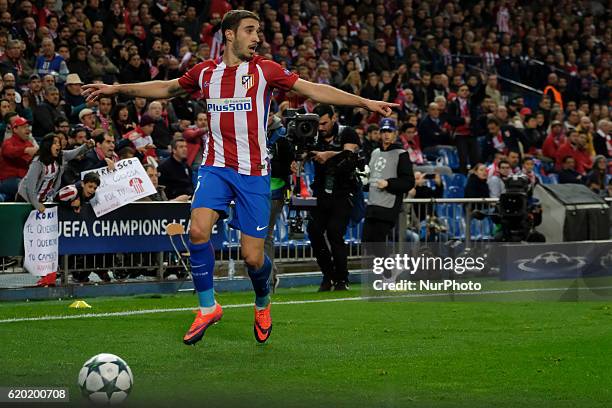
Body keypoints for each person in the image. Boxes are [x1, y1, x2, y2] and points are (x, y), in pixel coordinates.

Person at [83, 10, 396, 345]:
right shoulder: (205, 72)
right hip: (215, 167)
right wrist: (116, 88)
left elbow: (314, 90)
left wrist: (364, 102)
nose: (256, 37)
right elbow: (166, 87)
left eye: (258, 31)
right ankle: (207, 307)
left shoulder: (265, 70)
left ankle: (262, 303)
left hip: (253, 173)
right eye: (250, 30)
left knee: (252, 258)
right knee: (198, 231)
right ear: (229, 35)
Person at [16, 133, 93, 286]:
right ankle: (27, 266)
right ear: (47, 146)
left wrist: (86, 146)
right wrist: (37, 205)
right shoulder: (38, 162)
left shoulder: (61, 157)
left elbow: (73, 153)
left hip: (44, 203)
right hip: (26, 201)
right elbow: (29, 187)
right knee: (28, 238)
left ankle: (48, 275)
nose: (59, 145)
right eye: (55, 143)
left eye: (59, 142)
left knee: (47, 240)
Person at [307, 103, 362, 292]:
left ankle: (342, 278)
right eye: (318, 124)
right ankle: (328, 275)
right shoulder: (311, 132)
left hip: (343, 191)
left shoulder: (348, 133)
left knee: (334, 232)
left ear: (334, 118)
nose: (321, 128)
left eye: (324, 123)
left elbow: (349, 156)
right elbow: (302, 153)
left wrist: (329, 154)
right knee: (313, 230)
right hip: (321, 190)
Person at [362, 118, 414, 254]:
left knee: (377, 242)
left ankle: (389, 271)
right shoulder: (375, 152)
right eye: (384, 131)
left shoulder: (401, 154)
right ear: (379, 133)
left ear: (395, 133)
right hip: (373, 203)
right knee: (367, 242)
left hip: (388, 205)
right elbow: (371, 176)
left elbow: (409, 182)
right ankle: (390, 269)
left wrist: (389, 183)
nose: (386, 134)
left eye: (389, 131)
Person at [0, 117, 38, 201]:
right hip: (7, 181)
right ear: (15, 129)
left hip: (23, 180)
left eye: (28, 127)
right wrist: (25, 150)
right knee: (22, 185)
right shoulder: (8, 142)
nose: (28, 129)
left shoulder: (29, 144)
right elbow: (8, 152)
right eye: (24, 127)